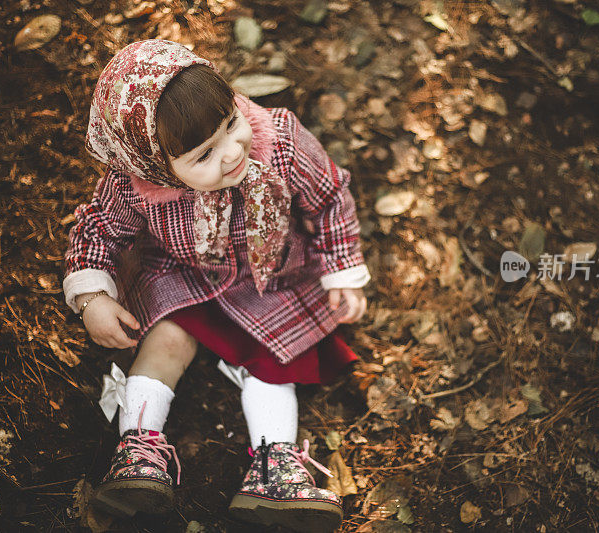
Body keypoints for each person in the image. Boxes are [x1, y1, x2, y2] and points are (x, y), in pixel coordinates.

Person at [62, 39, 370, 531]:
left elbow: (330, 197)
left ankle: (275, 468)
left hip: (268, 275)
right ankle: (138, 449)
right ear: (156, 165)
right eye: (204, 154)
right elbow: (98, 229)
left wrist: (341, 267)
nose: (232, 152)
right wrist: (94, 294)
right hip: (181, 273)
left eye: (231, 122)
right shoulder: (135, 185)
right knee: (165, 340)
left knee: (274, 361)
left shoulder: (281, 141)